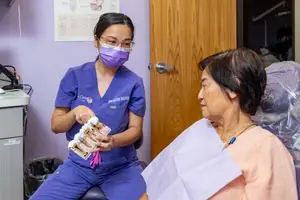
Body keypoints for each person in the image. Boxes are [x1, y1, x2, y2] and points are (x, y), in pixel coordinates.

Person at [140, 48, 298, 200]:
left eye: (205, 85)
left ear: (233, 89)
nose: (199, 96)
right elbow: (157, 188)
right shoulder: (201, 129)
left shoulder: (267, 149)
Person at [30, 13, 146, 200]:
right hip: (79, 166)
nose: (119, 48)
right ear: (96, 41)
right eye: (112, 41)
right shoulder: (75, 76)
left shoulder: (133, 82)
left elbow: (135, 130)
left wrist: (113, 141)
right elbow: (56, 126)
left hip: (120, 167)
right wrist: (74, 113)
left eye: (126, 43)